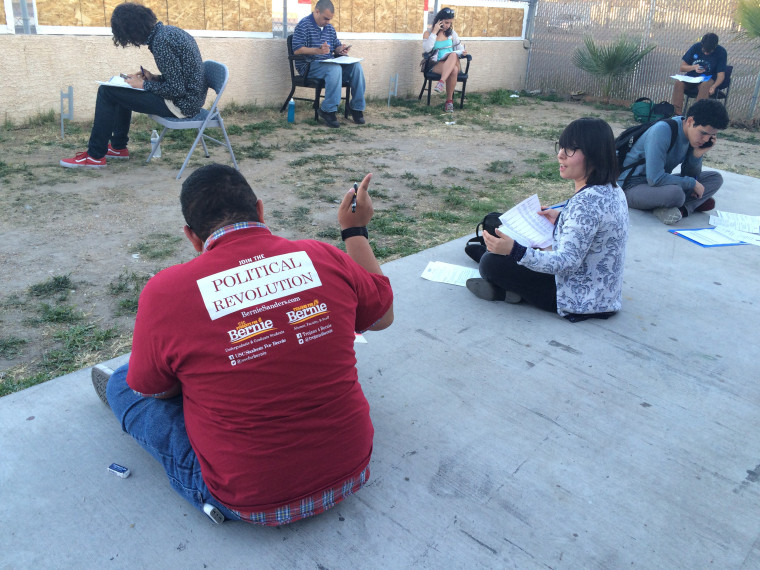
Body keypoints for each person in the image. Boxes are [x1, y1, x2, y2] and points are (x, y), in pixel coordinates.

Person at [91, 164, 393, 525]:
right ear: (261, 211)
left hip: (249, 501)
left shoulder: (165, 291)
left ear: (191, 236)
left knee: (125, 384)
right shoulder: (322, 255)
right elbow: (382, 318)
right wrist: (354, 229)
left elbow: (154, 389)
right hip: (352, 469)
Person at [465, 118, 628, 323]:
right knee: (502, 247)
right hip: (603, 293)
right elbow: (594, 229)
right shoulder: (613, 189)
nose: (560, 155)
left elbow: (565, 264)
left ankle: (502, 286)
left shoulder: (585, 204)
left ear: (593, 154)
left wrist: (514, 250)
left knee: (490, 264)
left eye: (570, 150)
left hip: (577, 298)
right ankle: (498, 263)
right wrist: (561, 218)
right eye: (561, 147)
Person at [60, 3, 207, 169]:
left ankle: (94, 156)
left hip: (181, 106)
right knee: (122, 90)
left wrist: (144, 84)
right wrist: (153, 78)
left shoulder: (161, 43)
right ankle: (118, 147)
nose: (129, 41)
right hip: (189, 100)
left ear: (132, 31)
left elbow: (177, 90)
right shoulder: (168, 32)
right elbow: (179, 79)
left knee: (106, 92)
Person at [619, 98, 729, 225]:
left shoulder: (693, 137)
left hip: (658, 185)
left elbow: (689, 175)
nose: (705, 139)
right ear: (690, 121)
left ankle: (679, 209)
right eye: (703, 133)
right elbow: (654, 179)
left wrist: (696, 155)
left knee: (715, 178)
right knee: (676, 194)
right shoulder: (662, 131)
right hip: (631, 186)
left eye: (711, 136)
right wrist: (691, 183)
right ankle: (682, 204)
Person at [292, 0, 366, 128]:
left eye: (330, 19)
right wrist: (317, 50)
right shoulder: (303, 25)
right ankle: (328, 110)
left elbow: (336, 46)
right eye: (326, 18)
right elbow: (297, 49)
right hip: (309, 66)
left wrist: (340, 49)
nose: (328, 22)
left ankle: (356, 107)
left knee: (356, 67)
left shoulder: (330, 28)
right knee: (334, 69)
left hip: (328, 65)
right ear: (317, 11)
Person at [422, 7, 467, 113]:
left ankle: (441, 82)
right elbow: (427, 49)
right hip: (436, 64)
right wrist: (435, 31)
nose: (448, 25)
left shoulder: (452, 34)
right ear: (439, 21)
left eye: (450, 23)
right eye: (446, 22)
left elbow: (460, 48)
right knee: (454, 70)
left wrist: (463, 52)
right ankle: (449, 102)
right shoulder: (428, 33)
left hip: (452, 60)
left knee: (453, 55)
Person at [671, 33, 727, 116]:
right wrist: (694, 67)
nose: (706, 54)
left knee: (705, 85)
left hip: (708, 79)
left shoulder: (721, 52)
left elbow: (721, 75)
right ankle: (677, 113)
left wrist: (714, 86)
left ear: (715, 47)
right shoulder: (695, 47)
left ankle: (696, 115)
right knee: (679, 83)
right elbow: (682, 67)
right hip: (692, 78)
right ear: (702, 45)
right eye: (704, 51)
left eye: (709, 51)